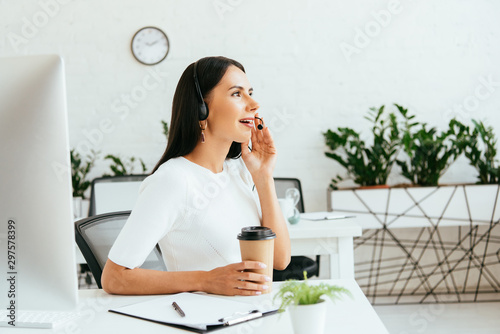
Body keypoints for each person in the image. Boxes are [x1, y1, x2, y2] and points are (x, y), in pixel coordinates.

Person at [101, 56, 291, 296]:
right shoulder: (173, 180)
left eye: (250, 92)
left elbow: (280, 260)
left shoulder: (237, 171)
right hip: (204, 322)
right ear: (202, 107)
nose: (254, 104)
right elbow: (115, 277)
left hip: (250, 314)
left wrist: (264, 177)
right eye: (237, 94)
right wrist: (205, 280)